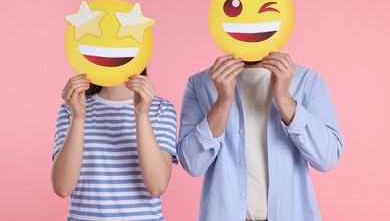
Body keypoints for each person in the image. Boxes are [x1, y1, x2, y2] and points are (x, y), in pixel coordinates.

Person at [177, 52, 343, 221]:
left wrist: (284, 98)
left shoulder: (308, 80)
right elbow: (193, 164)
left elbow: (326, 158)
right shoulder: (200, 84)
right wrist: (223, 101)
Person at [51, 70, 177, 220]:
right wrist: (78, 118)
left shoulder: (161, 109)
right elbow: (62, 188)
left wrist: (142, 115)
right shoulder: (71, 108)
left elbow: (157, 186)